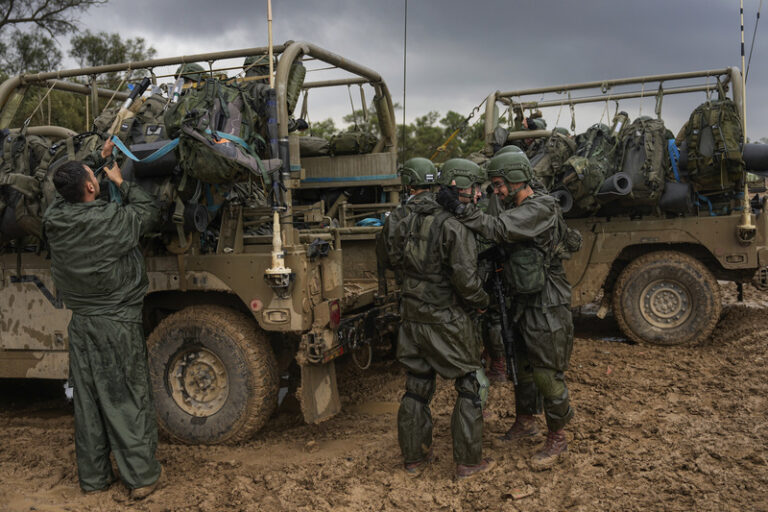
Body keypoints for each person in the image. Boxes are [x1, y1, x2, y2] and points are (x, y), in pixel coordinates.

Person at [437, 150, 575, 470]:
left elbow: (497, 228)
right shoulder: (520, 206)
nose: (496, 191)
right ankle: (526, 420)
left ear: (516, 178)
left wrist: (458, 207)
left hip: (547, 305)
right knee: (522, 367)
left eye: (499, 184)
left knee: (546, 372)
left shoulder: (541, 207)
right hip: (523, 302)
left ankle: (558, 434)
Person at [43, 140, 164, 498]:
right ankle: (141, 477)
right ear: (93, 187)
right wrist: (122, 181)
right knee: (127, 398)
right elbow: (150, 213)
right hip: (117, 324)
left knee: (89, 403)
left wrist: (99, 159)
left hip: (82, 325)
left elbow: (69, 192)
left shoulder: (54, 219)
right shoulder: (111, 220)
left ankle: (94, 479)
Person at [391, 157, 494, 480]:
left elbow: (391, 258)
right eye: (473, 188)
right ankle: (468, 462)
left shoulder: (406, 218)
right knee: (469, 386)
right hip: (446, 317)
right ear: (456, 187)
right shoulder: (453, 225)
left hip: (412, 315)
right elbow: (465, 279)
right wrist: (482, 302)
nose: (477, 194)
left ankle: (414, 458)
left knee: (416, 387)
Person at [437, 159, 506, 383]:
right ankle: (483, 366)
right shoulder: (453, 214)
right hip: (473, 274)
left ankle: (494, 362)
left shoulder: (460, 208)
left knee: (491, 317)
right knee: (481, 320)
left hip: (483, 270)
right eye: (473, 188)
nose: (478, 194)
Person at [376, 157, 437, 295]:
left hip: (411, 292)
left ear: (408, 184)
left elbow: (386, 257)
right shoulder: (445, 210)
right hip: (443, 293)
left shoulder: (398, 216)